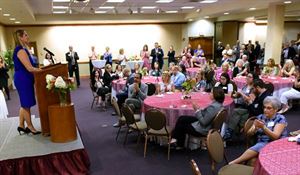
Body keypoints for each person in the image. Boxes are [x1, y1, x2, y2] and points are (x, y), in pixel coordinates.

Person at [229, 96, 288, 164]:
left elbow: (275, 136)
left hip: (275, 144)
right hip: (261, 143)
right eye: (264, 107)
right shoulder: (260, 117)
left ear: (276, 109)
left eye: (269, 108)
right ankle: (237, 162)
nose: (265, 110)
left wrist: (263, 127)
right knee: (255, 157)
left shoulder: (280, 119)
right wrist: (254, 129)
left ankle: (234, 162)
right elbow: (249, 134)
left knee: (260, 147)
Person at [13, 29, 41, 135]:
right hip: (23, 79)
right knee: (26, 104)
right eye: (25, 35)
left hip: (25, 78)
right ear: (20, 37)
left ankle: (21, 125)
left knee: (24, 103)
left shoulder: (23, 49)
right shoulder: (20, 50)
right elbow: (29, 68)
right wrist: (42, 70)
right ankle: (30, 127)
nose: (27, 36)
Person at [223, 72, 258, 141]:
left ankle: (228, 132)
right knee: (230, 111)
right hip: (239, 104)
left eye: (249, 77)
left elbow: (250, 100)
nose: (247, 77)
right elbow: (239, 95)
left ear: (254, 79)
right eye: (247, 76)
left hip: (247, 107)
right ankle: (228, 132)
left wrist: (241, 93)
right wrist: (237, 95)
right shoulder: (245, 86)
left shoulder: (254, 89)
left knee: (235, 112)